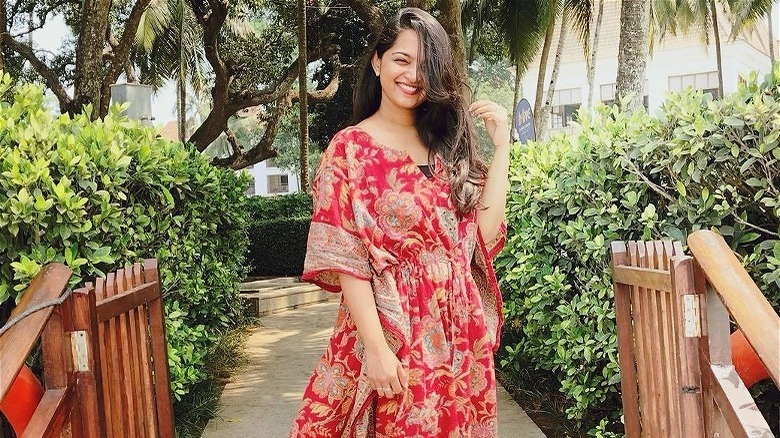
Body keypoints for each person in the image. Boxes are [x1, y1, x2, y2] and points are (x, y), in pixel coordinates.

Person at [289, 7, 510, 437]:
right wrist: (375, 349)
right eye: (401, 60)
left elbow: (478, 240)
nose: (412, 75)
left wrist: (501, 147)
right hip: (393, 329)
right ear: (377, 61)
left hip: (458, 335)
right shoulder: (350, 149)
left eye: (425, 66)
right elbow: (348, 257)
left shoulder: (446, 146)